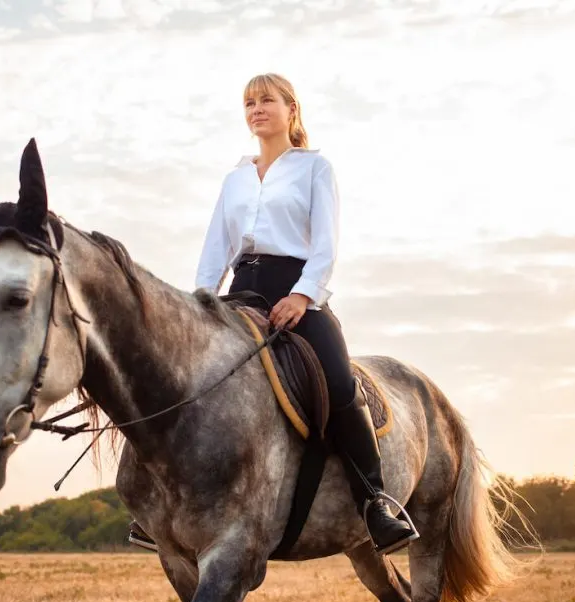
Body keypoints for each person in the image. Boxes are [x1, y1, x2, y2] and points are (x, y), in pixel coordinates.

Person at [128, 73, 418, 556]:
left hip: (297, 291)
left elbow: (326, 244)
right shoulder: (235, 178)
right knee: (176, 374)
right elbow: (216, 248)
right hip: (242, 291)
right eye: (248, 102)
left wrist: (304, 296)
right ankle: (151, 509)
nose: (256, 108)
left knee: (340, 383)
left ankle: (375, 502)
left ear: (292, 110)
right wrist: (199, 306)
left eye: (266, 100)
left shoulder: (314, 168)